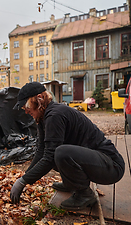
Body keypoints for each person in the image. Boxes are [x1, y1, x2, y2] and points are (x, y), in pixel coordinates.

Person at [10, 82, 125, 210]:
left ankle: (84, 194)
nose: (25, 111)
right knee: (55, 153)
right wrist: (25, 177)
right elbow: (41, 151)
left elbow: (50, 157)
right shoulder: (44, 116)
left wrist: (23, 181)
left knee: (59, 153)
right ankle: (71, 184)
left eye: (26, 106)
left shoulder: (55, 115)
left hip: (111, 166)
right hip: (98, 162)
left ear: (39, 98)